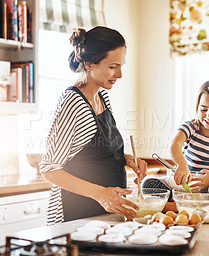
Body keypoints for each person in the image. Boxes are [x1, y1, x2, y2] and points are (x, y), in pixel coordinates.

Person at [39, 26, 147, 225]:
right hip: (75, 216)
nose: (120, 74)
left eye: (121, 65)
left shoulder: (102, 96)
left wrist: (126, 159)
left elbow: (92, 152)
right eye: (113, 66)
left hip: (104, 215)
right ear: (89, 64)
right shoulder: (73, 102)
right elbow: (49, 168)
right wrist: (101, 194)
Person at [143, 79, 209, 211]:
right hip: (184, 186)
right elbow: (174, 146)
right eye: (203, 109)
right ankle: (191, 204)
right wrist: (183, 166)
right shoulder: (191, 127)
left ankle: (179, 204)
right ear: (197, 108)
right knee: (148, 183)